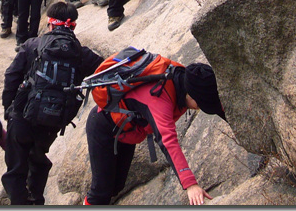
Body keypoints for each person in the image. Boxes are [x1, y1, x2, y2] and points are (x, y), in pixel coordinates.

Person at [1, 2, 103, 205]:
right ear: (72, 25)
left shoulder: (32, 45)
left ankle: (19, 203)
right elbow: (105, 69)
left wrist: (8, 108)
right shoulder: (81, 53)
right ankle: (37, 200)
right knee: (38, 160)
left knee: (16, 168)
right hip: (53, 120)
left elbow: (11, 75)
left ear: (50, 24)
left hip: (22, 116)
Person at [85, 62, 227, 205]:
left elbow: (217, 104)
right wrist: (190, 184)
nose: (200, 108)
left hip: (126, 131)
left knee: (116, 186)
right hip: (104, 127)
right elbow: (168, 141)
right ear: (190, 95)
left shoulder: (189, 78)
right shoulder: (159, 98)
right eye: (200, 105)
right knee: (101, 193)